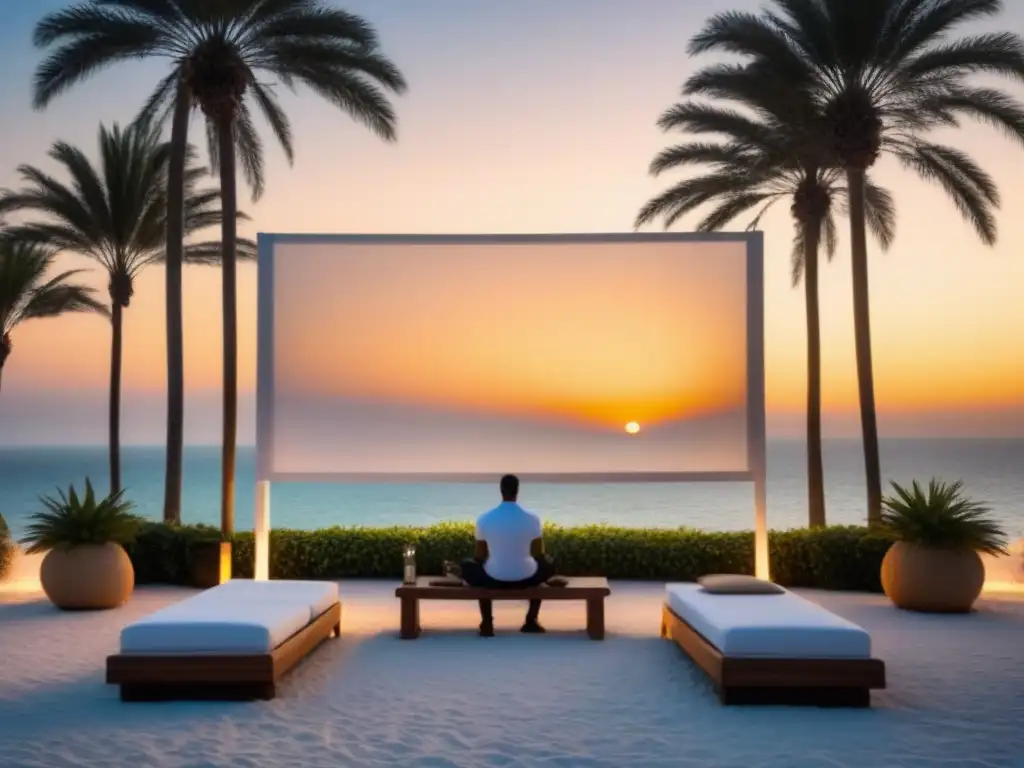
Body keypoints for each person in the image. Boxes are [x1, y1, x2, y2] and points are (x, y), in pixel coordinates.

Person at [461, 474, 556, 637]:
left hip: (494, 577)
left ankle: (487, 623)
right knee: (547, 563)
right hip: (526, 577)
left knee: (470, 565)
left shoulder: (485, 518)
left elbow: (479, 555)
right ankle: (531, 621)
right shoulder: (532, 518)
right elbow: (538, 554)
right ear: (517, 491)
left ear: (501, 490)